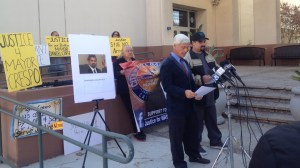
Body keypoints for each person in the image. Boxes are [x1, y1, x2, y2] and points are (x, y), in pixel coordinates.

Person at [160, 34, 210, 168]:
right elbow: (167, 87)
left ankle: (194, 155)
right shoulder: (167, 64)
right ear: (174, 46)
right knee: (177, 137)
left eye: (188, 47)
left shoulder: (184, 62)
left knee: (191, 133)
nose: (186, 50)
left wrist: (197, 93)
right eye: (183, 47)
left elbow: (190, 81)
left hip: (189, 105)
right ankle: (179, 162)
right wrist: (183, 92)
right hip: (176, 108)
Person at [184, 32, 224, 156]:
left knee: (212, 119)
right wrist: (200, 79)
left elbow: (216, 68)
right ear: (193, 43)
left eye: (204, 41)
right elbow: (186, 75)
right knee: (197, 122)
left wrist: (222, 72)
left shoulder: (208, 55)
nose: (203, 44)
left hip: (211, 92)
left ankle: (215, 141)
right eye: (200, 41)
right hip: (198, 94)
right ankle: (196, 145)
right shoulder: (188, 57)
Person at [113, 45, 146, 141]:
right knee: (132, 110)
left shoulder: (135, 61)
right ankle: (138, 131)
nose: (130, 52)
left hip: (135, 89)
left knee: (138, 109)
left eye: (131, 50)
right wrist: (122, 72)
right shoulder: (118, 62)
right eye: (127, 50)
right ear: (123, 52)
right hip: (125, 90)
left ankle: (140, 129)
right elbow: (115, 73)